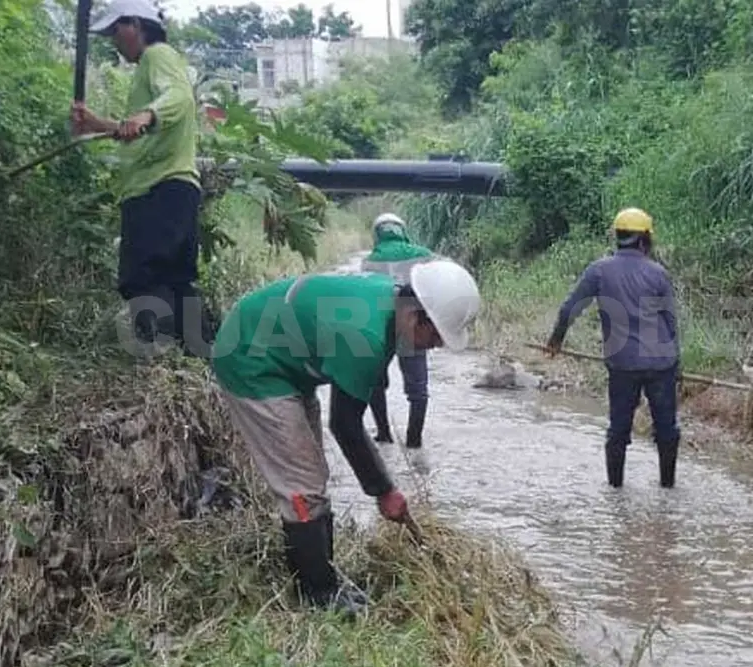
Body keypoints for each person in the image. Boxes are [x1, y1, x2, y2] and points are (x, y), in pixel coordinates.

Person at [210, 259, 481, 614]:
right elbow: (346, 425)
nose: (435, 347)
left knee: (313, 475)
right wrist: (384, 491)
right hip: (250, 360)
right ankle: (318, 596)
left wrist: (381, 485)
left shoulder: (388, 307)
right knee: (302, 485)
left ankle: (326, 577)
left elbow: (363, 396)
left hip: (286, 363)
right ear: (417, 315)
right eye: (436, 337)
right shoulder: (365, 334)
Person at [71, 0, 213, 355]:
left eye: (115, 31)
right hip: (175, 190)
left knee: (143, 277)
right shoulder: (152, 69)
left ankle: (160, 363)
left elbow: (179, 98)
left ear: (135, 24)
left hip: (157, 189)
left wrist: (148, 114)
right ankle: (201, 359)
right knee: (177, 281)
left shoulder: (157, 56)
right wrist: (96, 124)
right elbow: (133, 130)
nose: (114, 42)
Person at [543, 208, 681, 489]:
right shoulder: (659, 274)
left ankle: (615, 491)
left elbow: (570, 307)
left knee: (618, 431)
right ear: (644, 240)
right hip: (661, 363)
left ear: (618, 238)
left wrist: (557, 339)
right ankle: (668, 488)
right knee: (667, 431)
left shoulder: (599, 270)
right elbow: (670, 322)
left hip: (623, 365)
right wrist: (676, 366)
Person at [360, 213, 437, 448]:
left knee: (375, 382)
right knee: (418, 390)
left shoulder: (370, 259)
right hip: (414, 323)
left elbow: (365, 295)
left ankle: (384, 434)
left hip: (380, 324)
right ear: (402, 231)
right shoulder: (423, 255)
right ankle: (414, 442)